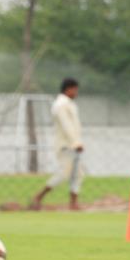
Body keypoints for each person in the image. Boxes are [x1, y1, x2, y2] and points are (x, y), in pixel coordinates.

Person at [31, 78, 86, 210]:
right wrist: (76, 142)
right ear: (68, 89)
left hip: (73, 145)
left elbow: (74, 126)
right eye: (75, 89)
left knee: (78, 174)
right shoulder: (60, 105)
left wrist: (78, 142)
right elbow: (66, 125)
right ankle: (39, 196)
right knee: (64, 173)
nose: (76, 92)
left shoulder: (69, 104)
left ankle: (73, 203)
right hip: (65, 145)